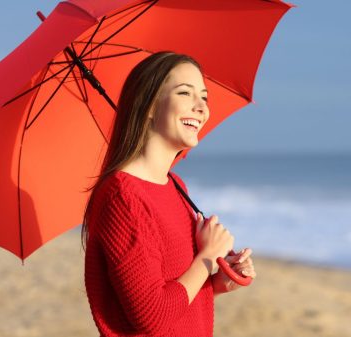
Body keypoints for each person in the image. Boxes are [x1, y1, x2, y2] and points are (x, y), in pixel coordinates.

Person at [81, 51, 257, 337]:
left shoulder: (175, 186)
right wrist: (207, 256)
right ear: (149, 105)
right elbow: (152, 317)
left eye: (204, 96)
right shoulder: (122, 197)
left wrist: (218, 280)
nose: (201, 107)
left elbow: (176, 294)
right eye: (185, 93)